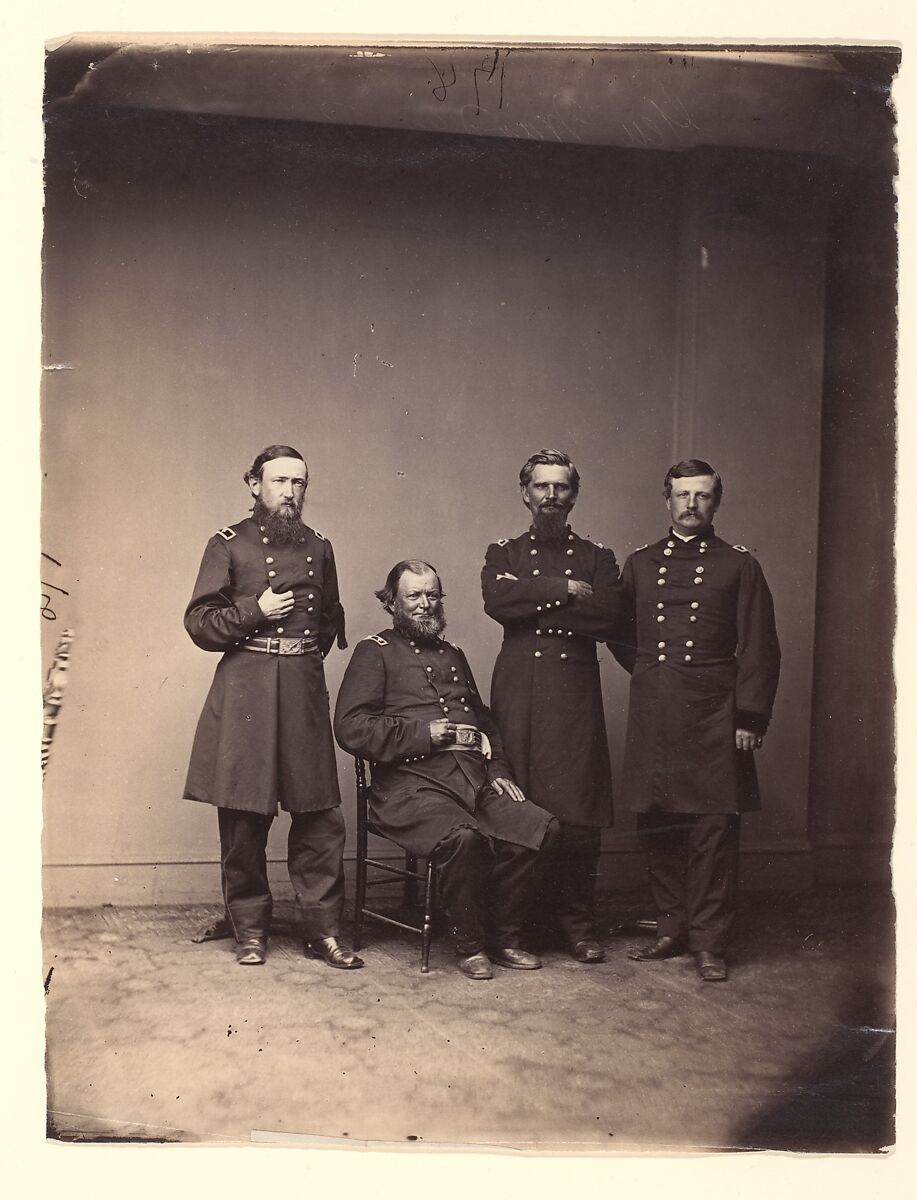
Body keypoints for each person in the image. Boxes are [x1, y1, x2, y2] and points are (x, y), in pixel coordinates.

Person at [333, 561, 559, 980]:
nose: (424, 605)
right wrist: (423, 734)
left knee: (541, 828)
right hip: (408, 789)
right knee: (464, 839)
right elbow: (350, 726)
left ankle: (504, 936)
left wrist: (499, 769)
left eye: (432, 595)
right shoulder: (374, 651)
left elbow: (484, 720)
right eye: (414, 597)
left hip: (471, 781)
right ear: (393, 603)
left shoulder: (453, 653)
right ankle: (470, 945)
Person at [184, 444, 362, 969]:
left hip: (302, 688)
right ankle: (251, 930)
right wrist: (252, 611)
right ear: (254, 484)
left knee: (320, 817)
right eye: (280, 481)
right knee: (244, 817)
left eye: (299, 483)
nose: (290, 492)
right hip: (248, 690)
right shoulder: (228, 544)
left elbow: (328, 620)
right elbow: (199, 624)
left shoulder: (320, 546)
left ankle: (324, 931)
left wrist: (297, 659)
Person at [610, 460, 780, 982]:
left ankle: (709, 942)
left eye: (701, 496)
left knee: (712, 828)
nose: (691, 505)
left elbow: (759, 646)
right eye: (681, 495)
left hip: (713, 711)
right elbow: (621, 636)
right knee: (657, 821)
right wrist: (656, 675)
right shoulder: (639, 564)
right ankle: (671, 927)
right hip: (656, 708)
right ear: (667, 500)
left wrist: (748, 714)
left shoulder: (738, 565)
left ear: (716, 502)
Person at [482, 449, 623, 963]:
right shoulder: (504, 552)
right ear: (525, 493)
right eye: (541, 486)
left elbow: (608, 616)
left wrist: (532, 601)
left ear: (573, 495)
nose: (550, 496)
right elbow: (498, 602)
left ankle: (578, 927)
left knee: (580, 815)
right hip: (519, 694)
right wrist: (563, 589)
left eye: (560, 487)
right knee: (520, 806)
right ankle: (512, 927)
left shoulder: (599, 557)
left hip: (573, 696)